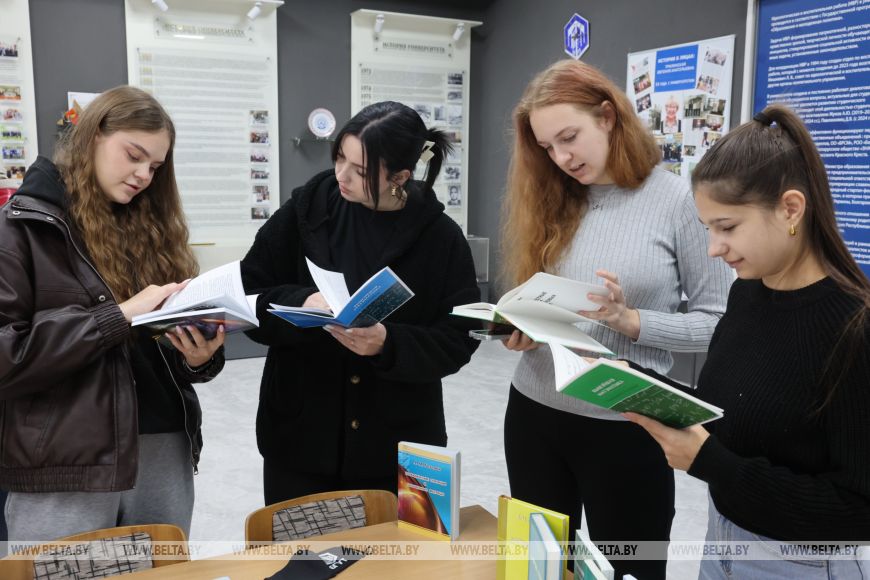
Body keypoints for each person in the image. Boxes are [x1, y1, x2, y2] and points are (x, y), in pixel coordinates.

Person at [500, 59, 732, 579]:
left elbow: (719, 323)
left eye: (569, 138)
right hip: (534, 412)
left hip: (626, 425)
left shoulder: (678, 201)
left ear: (608, 117)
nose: (561, 158)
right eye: (547, 147)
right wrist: (523, 326)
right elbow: (548, 299)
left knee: (630, 569)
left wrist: (632, 322)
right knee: (538, 568)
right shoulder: (551, 195)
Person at [626, 105, 870, 578]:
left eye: (728, 227)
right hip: (723, 538)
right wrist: (634, 381)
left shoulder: (853, 329)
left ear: (791, 209)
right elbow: (733, 409)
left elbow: (858, 510)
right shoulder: (747, 292)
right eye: (708, 229)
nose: (714, 248)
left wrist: (711, 463)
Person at [0, 86, 225, 541]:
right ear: (92, 136)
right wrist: (117, 316)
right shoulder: (21, 228)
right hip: (67, 459)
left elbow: (162, 353)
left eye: (155, 167)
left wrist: (199, 358)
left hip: (162, 446)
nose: (143, 175)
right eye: (134, 155)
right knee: (61, 571)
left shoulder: (155, 230)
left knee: (161, 571)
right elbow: (8, 355)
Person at [241, 101, 480, 504]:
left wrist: (389, 344)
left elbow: (460, 336)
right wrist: (304, 302)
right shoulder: (306, 210)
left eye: (361, 170)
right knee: (299, 546)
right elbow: (249, 292)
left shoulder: (440, 237)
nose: (341, 175)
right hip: (301, 440)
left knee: (402, 547)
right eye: (339, 158)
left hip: (402, 446)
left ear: (399, 177)